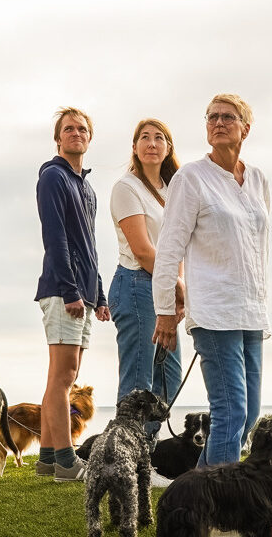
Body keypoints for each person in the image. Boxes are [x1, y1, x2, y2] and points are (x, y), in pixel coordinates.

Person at [152, 93, 271, 467]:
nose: (218, 122)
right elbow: (169, 249)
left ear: (245, 129)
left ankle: (195, 499)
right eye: (212, 117)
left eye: (228, 117)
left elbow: (258, 247)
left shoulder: (258, 180)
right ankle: (219, 512)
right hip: (214, 313)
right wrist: (165, 311)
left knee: (247, 417)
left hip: (251, 311)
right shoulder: (191, 178)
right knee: (230, 413)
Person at [34, 107, 110, 482]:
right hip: (63, 290)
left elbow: (89, 244)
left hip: (83, 292)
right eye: (69, 129)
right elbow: (56, 238)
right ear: (58, 138)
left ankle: (47, 457)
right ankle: (66, 460)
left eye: (82, 129)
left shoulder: (86, 186)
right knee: (63, 377)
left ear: (89, 138)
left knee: (64, 374)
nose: (76, 133)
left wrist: (100, 294)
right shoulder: (53, 176)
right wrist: (70, 290)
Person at [110, 118, 185, 443]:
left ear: (168, 147)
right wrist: (178, 286)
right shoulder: (127, 188)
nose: (152, 143)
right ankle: (125, 457)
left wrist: (176, 291)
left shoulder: (175, 189)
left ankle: (147, 455)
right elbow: (143, 250)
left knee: (169, 376)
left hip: (165, 289)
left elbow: (179, 246)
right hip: (137, 285)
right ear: (135, 147)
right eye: (145, 137)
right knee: (138, 381)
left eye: (159, 138)